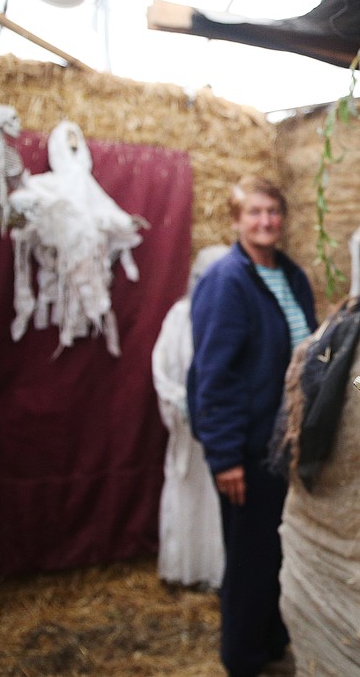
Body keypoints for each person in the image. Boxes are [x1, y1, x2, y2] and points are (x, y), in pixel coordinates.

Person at [188, 176, 317, 677]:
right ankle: (241, 660)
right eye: (254, 213)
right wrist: (224, 457)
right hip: (246, 447)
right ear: (236, 220)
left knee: (277, 551)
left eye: (273, 212)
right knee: (249, 559)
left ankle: (270, 645)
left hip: (283, 442)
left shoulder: (291, 276)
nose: (265, 221)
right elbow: (212, 377)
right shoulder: (228, 281)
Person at [151, 244, 229, 590]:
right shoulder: (179, 316)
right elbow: (161, 366)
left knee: (216, 503)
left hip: (223, 430)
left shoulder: (233, 316)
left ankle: (217, 572)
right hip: (187, 428)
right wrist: (180, 401)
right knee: (188, 493)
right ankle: (184, 569)